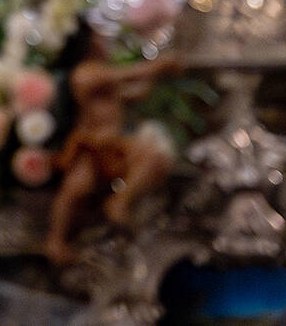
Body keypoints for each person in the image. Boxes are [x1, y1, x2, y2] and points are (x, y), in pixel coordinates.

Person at [44, 23, 183, 265]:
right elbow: (128, 75)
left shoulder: (107, 78)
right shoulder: (85, 73)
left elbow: (136, 90)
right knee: (76, 188)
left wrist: (159, 72)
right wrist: (154, 67)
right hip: (90, 144)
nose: (105, 42)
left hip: (115, 145)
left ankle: (120, 201)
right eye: (100, 37)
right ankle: (55, 240)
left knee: (154, 159)